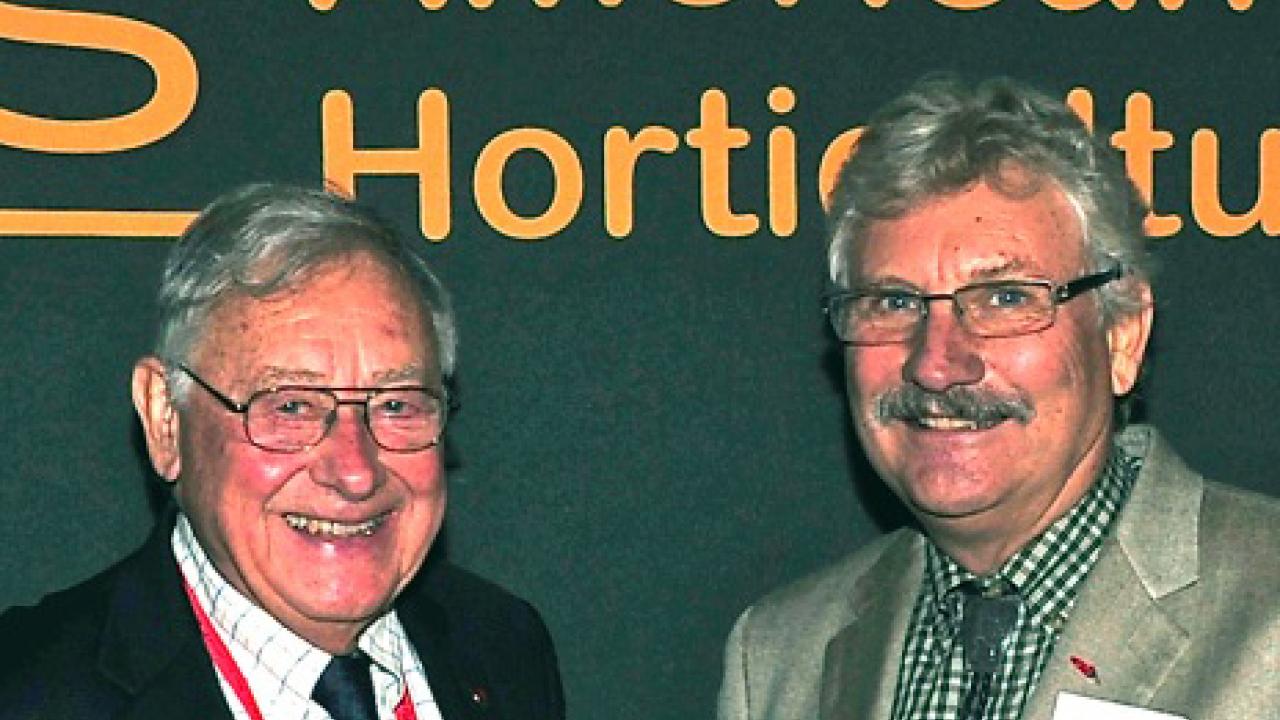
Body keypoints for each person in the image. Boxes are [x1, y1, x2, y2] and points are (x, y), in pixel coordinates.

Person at [717, 76, 1280, 720]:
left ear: (1123, 337)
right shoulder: (778, 659)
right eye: (893, 303)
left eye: (1005, 298)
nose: (936, 364)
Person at [0, 184, 565, 720]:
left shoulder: (500, 647)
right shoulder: (32, 693)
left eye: (396, 405)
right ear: (166, 420)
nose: (355, 471)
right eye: (291, 407)